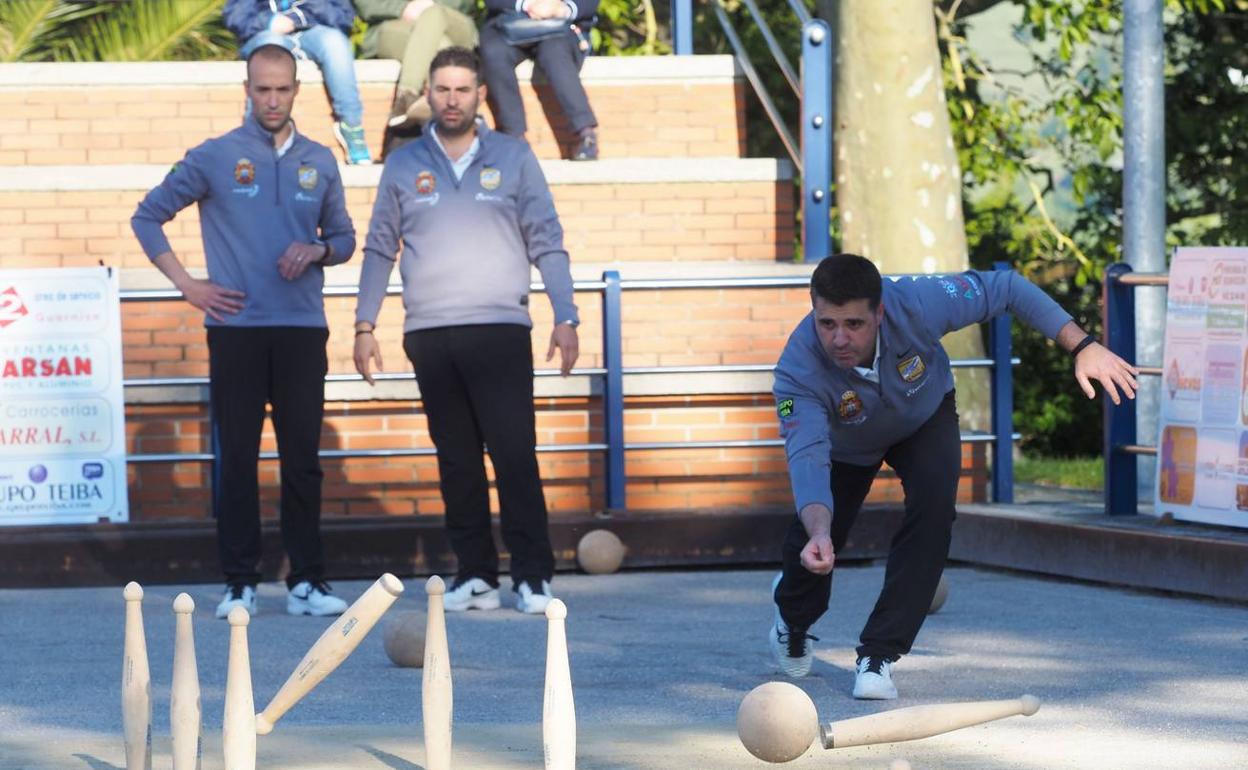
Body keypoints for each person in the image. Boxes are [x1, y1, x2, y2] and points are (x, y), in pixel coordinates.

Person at [770, 254, 1138, 699]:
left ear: (880, 311)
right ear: (814, 310)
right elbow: (808, 456)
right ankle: (792, 617)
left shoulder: (916, 304)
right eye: (827, 323)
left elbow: (1005, 287)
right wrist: (819, 529)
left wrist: (1083, 345)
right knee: (814, 545)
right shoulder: (797, 368)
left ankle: (879, 654)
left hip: (923, 416)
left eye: (854, 324)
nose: (839, 339)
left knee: (935, 508)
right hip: (847, 444)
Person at [131, 44, 356, 620]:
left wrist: (319, 248)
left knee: (303, 458)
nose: (273, 99)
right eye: (263, 89)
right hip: (236, 330)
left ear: (297, 90)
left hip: (303, 329)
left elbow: (347, 239)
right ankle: (240, 583)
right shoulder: (214, 157)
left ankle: (307, 581)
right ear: (248, 89)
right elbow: (147, 216)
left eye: (282, 89)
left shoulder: (320, 160)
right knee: (237, 457)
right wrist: (189, 286)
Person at [352, 46, 580, 615]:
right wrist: (364, 324)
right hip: (430, 332)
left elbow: (547, 239)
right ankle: (475, 573)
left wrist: (566, 314)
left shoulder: (514, 156)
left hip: (501, 329)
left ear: (481, 94)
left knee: (513, 454)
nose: (451, 99)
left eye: (462, 89)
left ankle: (532, 576)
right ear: (426, 94)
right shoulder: (404, 164)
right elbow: (380, 246)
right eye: (442, 89)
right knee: (455, 460)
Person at [224, 0, 374, 165]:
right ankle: (257, 135)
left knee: (335, 43)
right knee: (272, 47)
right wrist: (269, 22)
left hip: (313, 31)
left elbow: (344, 17)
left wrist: (305, 14)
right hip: (265, 33)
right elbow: (236, 16)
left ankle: (352, 126)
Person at [478, 0, 600, 160]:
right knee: (493, 52)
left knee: (555, 54)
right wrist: (527, 4)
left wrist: (563, 8)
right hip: (508, 23)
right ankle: (514, 137)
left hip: (560, 26)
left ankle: (586, 133)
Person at [353, 0, 479, 131]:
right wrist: (402, 8)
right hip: (396, 24)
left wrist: (430, 5)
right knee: (442, 47)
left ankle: (407, 95)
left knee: (434, 13)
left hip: (451, 20)